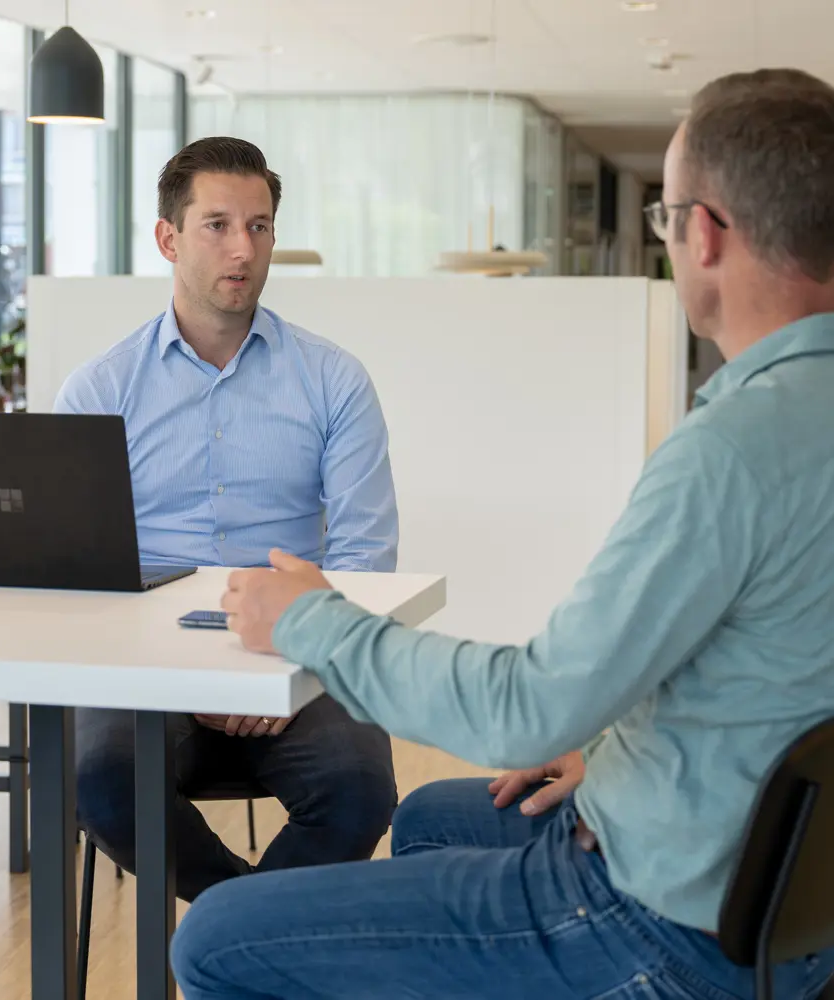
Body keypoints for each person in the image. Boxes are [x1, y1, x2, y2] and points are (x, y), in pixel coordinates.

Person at [172, 70, 834, 999]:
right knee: (439, 816)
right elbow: (782, 667)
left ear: (705, 233)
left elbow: (526, 709)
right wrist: (609, 753)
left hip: (661, 923)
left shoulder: (728, 452)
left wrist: (310, 619)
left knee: (216, 939)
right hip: (789, 904)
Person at [54, 136, 399, 901]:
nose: (243, 249)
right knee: (100, 779)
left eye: (260, 226)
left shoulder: (333, 381)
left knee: (361, 788)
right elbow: (78, 580)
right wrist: (187, 676)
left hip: (298, 660)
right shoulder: (98, 390)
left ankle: (229, 945)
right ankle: (241, 931)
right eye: (217, 225)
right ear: (168, 238)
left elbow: (364, 562)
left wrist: (288, 666)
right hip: (150, 671)